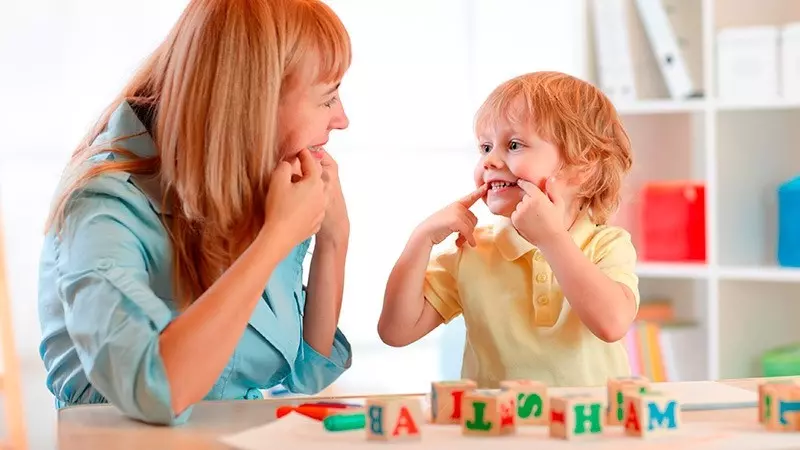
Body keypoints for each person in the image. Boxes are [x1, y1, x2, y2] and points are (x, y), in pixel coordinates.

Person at [37, 0, 353, 426]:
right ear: (254, 103)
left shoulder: (256, 180)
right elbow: (156, 391)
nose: (342, 119)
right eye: (328, 97)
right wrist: (274, 238)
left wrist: (333, 237)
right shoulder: (102, 206)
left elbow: (308, 369)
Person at [378, 71, 638, 388]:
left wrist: (551, 239)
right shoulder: (473, 250)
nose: (490, 160)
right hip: (496, 431)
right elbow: (396, 331)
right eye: (485, 147)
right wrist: (420, 240)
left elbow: (611, 324)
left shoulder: (607, 244)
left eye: (513, 145)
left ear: (582, 165)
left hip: (586, 429)